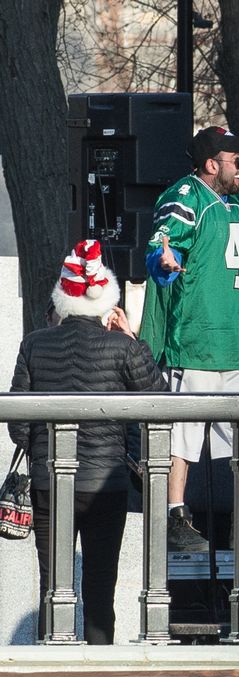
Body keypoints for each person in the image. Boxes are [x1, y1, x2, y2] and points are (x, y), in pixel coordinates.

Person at [139, 126, 239, 552]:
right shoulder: (186, 197)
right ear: (212, 164)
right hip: (196, 343)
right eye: (235, 159)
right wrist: (164, 261)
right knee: (183, 437)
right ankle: (175, 517)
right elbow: (161, 245)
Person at [9, 240, 167, 644]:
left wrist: (42, 448)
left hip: (48, 483)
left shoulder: (34, 344)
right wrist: (132, 338)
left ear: (62, 300)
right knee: (100, 584)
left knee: (52, 582)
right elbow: (159, 398)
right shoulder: (121, 348)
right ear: (105, 299)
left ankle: (50, 658)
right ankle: (100, 658)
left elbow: (17, 423)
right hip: (106, 481)